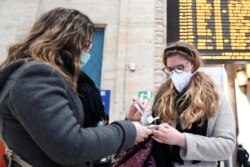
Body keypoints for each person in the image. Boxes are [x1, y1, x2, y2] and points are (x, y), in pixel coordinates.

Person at [0, 7, 152, 167]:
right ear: (65, 39)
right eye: (85, 45)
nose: (87, 53)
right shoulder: (34, 75)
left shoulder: (52, 75)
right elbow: (70, 145)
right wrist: (128, 131)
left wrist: (128, 121)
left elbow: (80, 136)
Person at [127, 41, 236, 167]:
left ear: (194, 66)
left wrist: (182, 140)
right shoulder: (161, 97)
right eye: (170, 69)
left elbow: (227, 147)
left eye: (180, 68)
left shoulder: (215, 98)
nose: (174, 74)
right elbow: (147, 133)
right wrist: (133, 121)